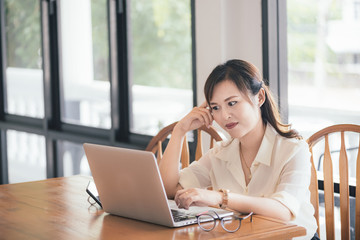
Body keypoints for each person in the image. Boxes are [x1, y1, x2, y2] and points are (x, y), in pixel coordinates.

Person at [159, 59, 317, 239]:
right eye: (215, 108)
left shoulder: (294, 149)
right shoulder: (220, 153)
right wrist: (180, 130)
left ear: (260, 97)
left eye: (232, 103)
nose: (224, 115)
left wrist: (221, 198)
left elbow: (284, 211)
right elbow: (169, 190)